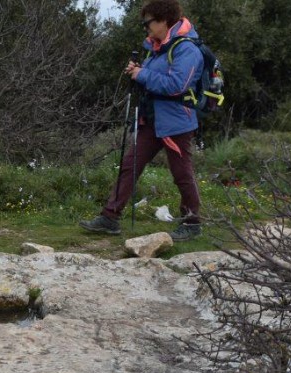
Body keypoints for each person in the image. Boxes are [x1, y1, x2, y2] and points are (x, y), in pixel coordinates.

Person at [80, 0, 204, 241]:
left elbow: (177, 85)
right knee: (130, 166)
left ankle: (192, 223)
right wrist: (140, 72)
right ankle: (110, 218)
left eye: (148, 22)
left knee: (182, 173)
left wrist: (142, 74)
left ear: (163, 21)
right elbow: (154, 77)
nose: (145, 27)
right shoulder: (157, 48)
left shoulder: (187, 49)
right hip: (153, 121)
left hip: (176, 123)